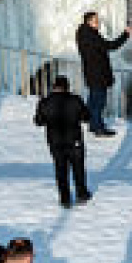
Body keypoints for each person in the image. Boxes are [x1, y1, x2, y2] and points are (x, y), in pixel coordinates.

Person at [34, 75, 92, 208]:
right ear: (67, 87)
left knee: (60, 169)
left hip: (55, 142)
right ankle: (81, 194)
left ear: (54, 87)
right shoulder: (75, 99)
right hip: (75, 141)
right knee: (78, 168)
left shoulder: (45, 102)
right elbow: (86, 117)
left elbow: (38, 122)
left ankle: (65, 198)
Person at [75, 10, 130, 136]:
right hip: (98, 73)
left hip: (91, 72)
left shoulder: (83, 33)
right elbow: (110, 46)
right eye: (95, 21)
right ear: (89, 22)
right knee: (99, 102)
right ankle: (98, 128)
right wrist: (125, 35)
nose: (98, 23)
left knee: (93, 99)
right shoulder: (91, 35)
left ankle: (92, 123)